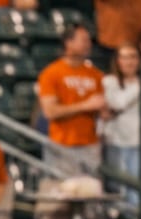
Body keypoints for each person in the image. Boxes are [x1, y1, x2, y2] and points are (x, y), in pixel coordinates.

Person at [37, 23, 105, 176]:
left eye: (89, 40)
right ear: (69, 43)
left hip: (90, 144)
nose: (88, 45)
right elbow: (50, 111)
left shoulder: (96, 75)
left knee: (90, 194)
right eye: (83, 40)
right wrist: (85, 105)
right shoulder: (51, 73)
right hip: (61, 144)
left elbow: (101, 109)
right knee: (63, 193)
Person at [100, 44, 141, 206]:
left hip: (137, 143)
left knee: (134, 188)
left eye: (133, 57)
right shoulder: (109, 81)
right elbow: (118, 103)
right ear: (117, 61)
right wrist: (140, 87)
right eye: (124, 57)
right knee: (115, 186)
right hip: (114, 141)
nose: (129, 62)